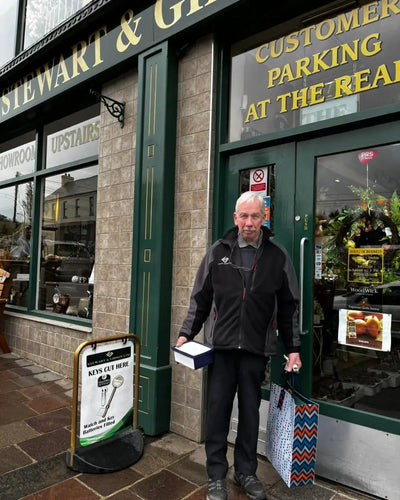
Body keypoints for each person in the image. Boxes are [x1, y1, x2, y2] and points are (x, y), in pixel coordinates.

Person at [175, 191, 302, 500]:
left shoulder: (278, 256)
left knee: (249, 413)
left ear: (263, 218)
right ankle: (216, 474)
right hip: (221, 349)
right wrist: (186, 333)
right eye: (243, 216)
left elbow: (289, 306)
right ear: (235, 218)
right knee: (218, 412)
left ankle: (245, 471)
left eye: (255, 216)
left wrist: (293, 348)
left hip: (256, 350)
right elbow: (200, 298)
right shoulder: (217, 252)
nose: (249, 222)